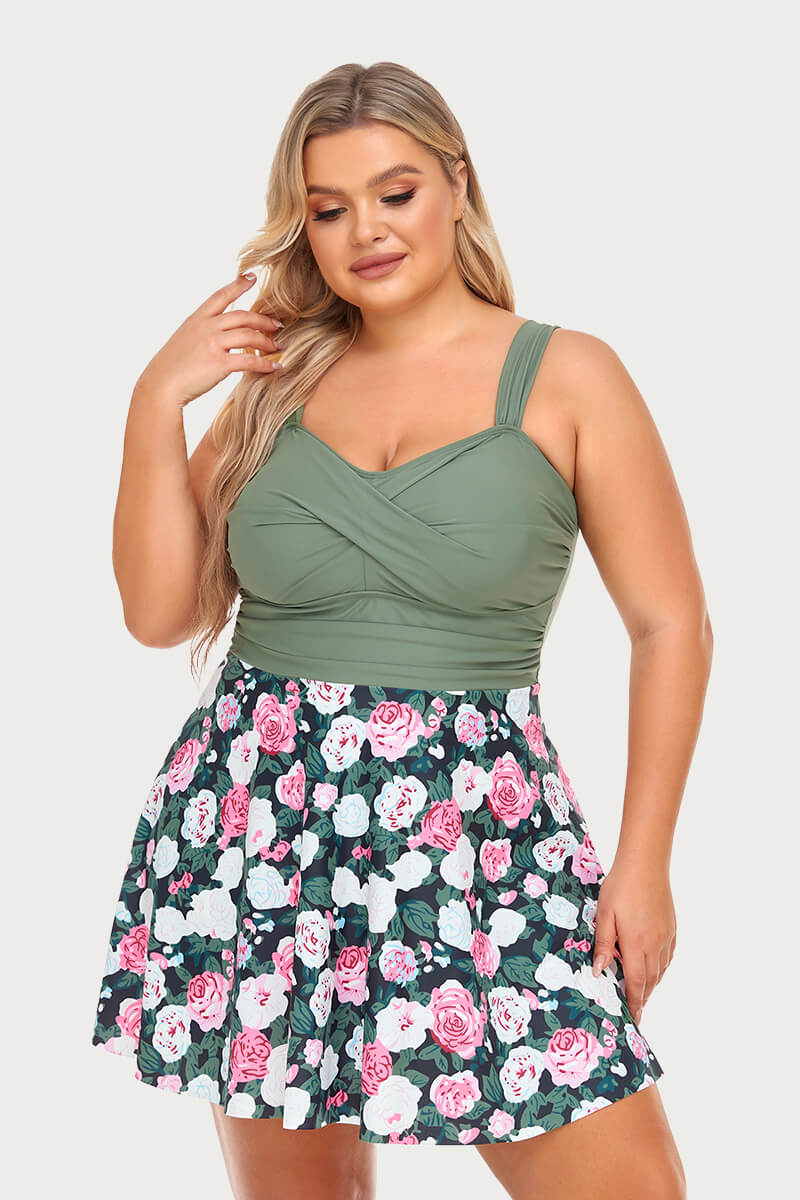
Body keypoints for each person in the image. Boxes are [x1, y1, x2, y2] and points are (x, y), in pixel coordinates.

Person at [90, 61, 711, 1200]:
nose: (365, 232)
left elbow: (670, 623)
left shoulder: (567, 376)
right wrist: (152, 401)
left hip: (482, 840)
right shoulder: (277, 379)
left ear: (457, 185)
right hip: (261, 828)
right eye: (328, 209)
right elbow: (159, 612)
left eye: (396, 192)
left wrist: (644, 863)